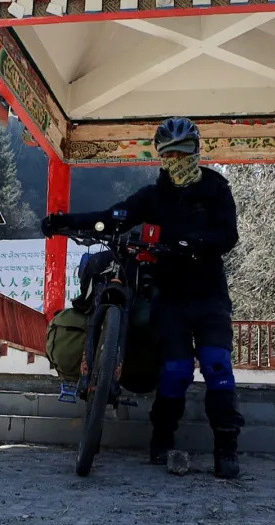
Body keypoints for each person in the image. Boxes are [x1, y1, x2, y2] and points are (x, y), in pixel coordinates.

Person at [41, 117, 244, 479]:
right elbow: (113, 217)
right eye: (170, 153)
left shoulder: (216, 188)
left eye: (184, 151)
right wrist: (62, 221)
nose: (178, 159)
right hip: (169, 298)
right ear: (161, 156)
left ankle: (226, 448)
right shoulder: (152, 197)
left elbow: (228, 235)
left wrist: (193, 243)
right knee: (177, 371)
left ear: (197, 150)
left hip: (210, 296)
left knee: (217, 366)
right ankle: (162, 439)